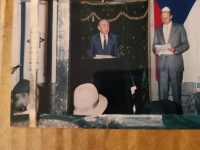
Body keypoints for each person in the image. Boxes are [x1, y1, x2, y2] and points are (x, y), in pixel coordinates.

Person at [152, 7, 190, 106]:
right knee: (162, 95)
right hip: (162, 66)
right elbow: (154, 46)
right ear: (160, 16)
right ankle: (164, 116)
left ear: (171, 16)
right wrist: (156, 50)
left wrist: (175, 49)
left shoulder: (179, 27)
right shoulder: (158, 29)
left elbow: (186, 45)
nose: (164, 20)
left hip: (175, 65)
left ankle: (177, 117)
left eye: (167, 18)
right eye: (163, 18)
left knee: (176, 94)